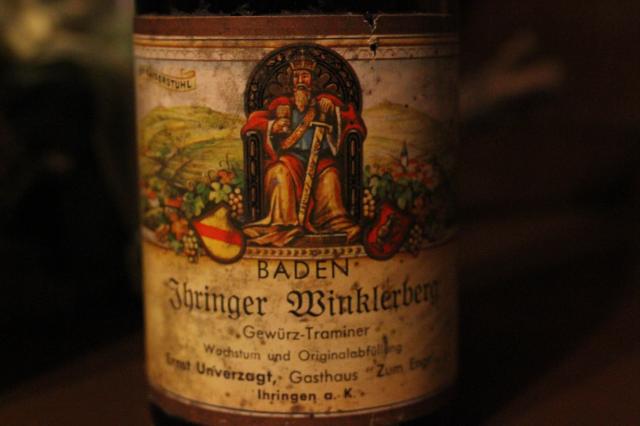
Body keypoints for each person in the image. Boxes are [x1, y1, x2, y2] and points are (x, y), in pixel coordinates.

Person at [242, 52, 364, 247]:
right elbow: (254, 122)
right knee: (278, 172)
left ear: (312, 80)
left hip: (320, 160)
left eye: (305, 76)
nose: (300, 81)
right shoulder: (281, 105)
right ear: (291, 81)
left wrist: (333, 112)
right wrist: (273, 126)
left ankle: (335, 224)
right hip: (290, 160)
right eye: (296, 77)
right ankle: (282, 225)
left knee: (331, 176)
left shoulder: (325, 104)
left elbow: (351, 121)